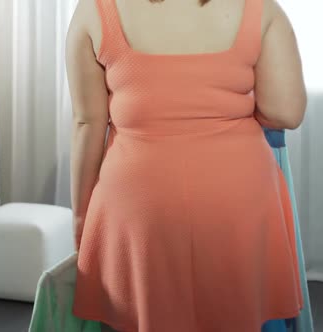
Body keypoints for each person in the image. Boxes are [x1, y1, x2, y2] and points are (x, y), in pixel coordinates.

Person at [66, 0, 307, 330]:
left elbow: (87, 123)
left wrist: (81, 216)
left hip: (140, 204)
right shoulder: (260, 8)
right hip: (238, 200)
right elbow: (286, 111)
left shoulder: (95, 9)